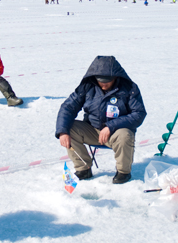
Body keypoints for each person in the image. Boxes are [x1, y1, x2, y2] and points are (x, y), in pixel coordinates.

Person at [55, 56, 146, 184]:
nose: (103, 84)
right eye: (100, 80)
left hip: (116, 133)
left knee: (125, 135)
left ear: (116, 77)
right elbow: (68, 107)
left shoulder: (129, 88)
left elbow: (139, 113)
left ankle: (123, 172)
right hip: (92, 130)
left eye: (107, 80)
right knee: (68, 128)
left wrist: (110, 126)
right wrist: (62, 131)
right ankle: (83, 169)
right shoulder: (87, 87)